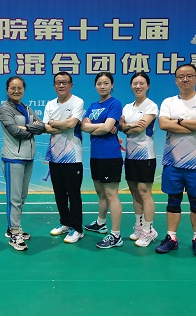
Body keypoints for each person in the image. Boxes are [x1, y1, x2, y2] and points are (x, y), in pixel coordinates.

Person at [155, 64, 196, 257]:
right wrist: (193, 125)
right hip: (172, 162)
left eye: (189, 75)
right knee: (173, 201)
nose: (185, 79)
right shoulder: (168, 102)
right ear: (176, 80)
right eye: (181, 76)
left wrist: (178, 122)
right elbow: (163, 124)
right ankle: (171, 237)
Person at [0, 76, 44, 251]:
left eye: (20, 88)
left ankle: (14, 227)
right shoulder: (5, 109)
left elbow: (42, 127)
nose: (16, 91)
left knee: (22, 196)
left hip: (28, 157)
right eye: (13, 88)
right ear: (7, 89)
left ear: (24, 89)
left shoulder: (26, 108)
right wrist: (31, 129)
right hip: (13, 158)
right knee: (14, 198)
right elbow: (15, 131)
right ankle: (14, 233)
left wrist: (28, 128)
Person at [82, 72, 124, 249]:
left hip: (110, 156)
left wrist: (97, 127)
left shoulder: (115, 104)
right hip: (96, 155)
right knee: (101, 193)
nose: (102, 86)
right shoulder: (92, 106)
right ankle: (101, 223)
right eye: (99, 83)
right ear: (95, 86)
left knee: (111, 194)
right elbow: (84, 126)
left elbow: (107, 128)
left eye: (106, 83)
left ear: (112, 85)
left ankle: (116, 235)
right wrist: (102, 126)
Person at [43, 72, 85, 244]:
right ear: (54, 86)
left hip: (73, 157)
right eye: (58, 83)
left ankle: (77, 229)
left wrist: (54, 123)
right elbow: (45, 128)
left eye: (65, 82)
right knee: (59, 193)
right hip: (55, 156)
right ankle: (65, 223)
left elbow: (72, 124)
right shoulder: (50, 104)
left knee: (73, 194)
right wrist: (61, 124)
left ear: (71, 85)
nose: (61, 85)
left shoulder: (77, 102)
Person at [119, 71, 159, 247]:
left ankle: (149, 230)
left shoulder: (151, 106)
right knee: (134, 191)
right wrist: (129, 126)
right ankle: (139, 226)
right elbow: (121, 126)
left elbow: (140, 128)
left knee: (144, 192)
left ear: (147, 86)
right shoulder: (127, 107)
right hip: (130, 155)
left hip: (145, 155)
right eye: (135, 83)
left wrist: (128, 126)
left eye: (141, 83)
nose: (138, 86)